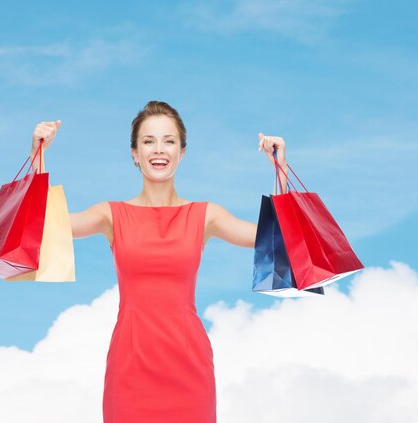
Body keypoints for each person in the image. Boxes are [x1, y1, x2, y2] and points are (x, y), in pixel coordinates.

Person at [29, 100, 288, 422]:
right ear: (135, 154)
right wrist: (37, 154)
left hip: (189, 371)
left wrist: (281, 168)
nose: (158, 150)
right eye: (148, 142)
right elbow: (44, 227)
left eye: (169, 141)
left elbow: (279, 239)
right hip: (129, 371)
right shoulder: (111, 215)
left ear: (182, 151)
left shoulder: (205, 215)